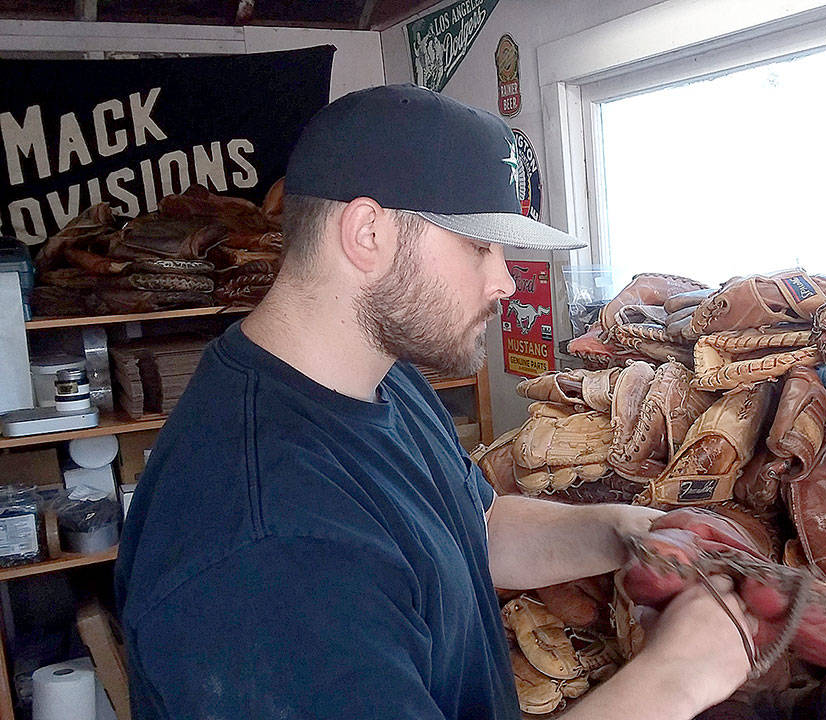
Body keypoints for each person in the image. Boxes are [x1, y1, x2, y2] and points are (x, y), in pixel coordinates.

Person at [115, 84, 756, 719]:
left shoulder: (380, 377)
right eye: (478, 246)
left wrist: (622, 532)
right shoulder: (266, 544)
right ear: (368, 232)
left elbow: (469, 530)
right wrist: (678, 677)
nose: (505, 280)